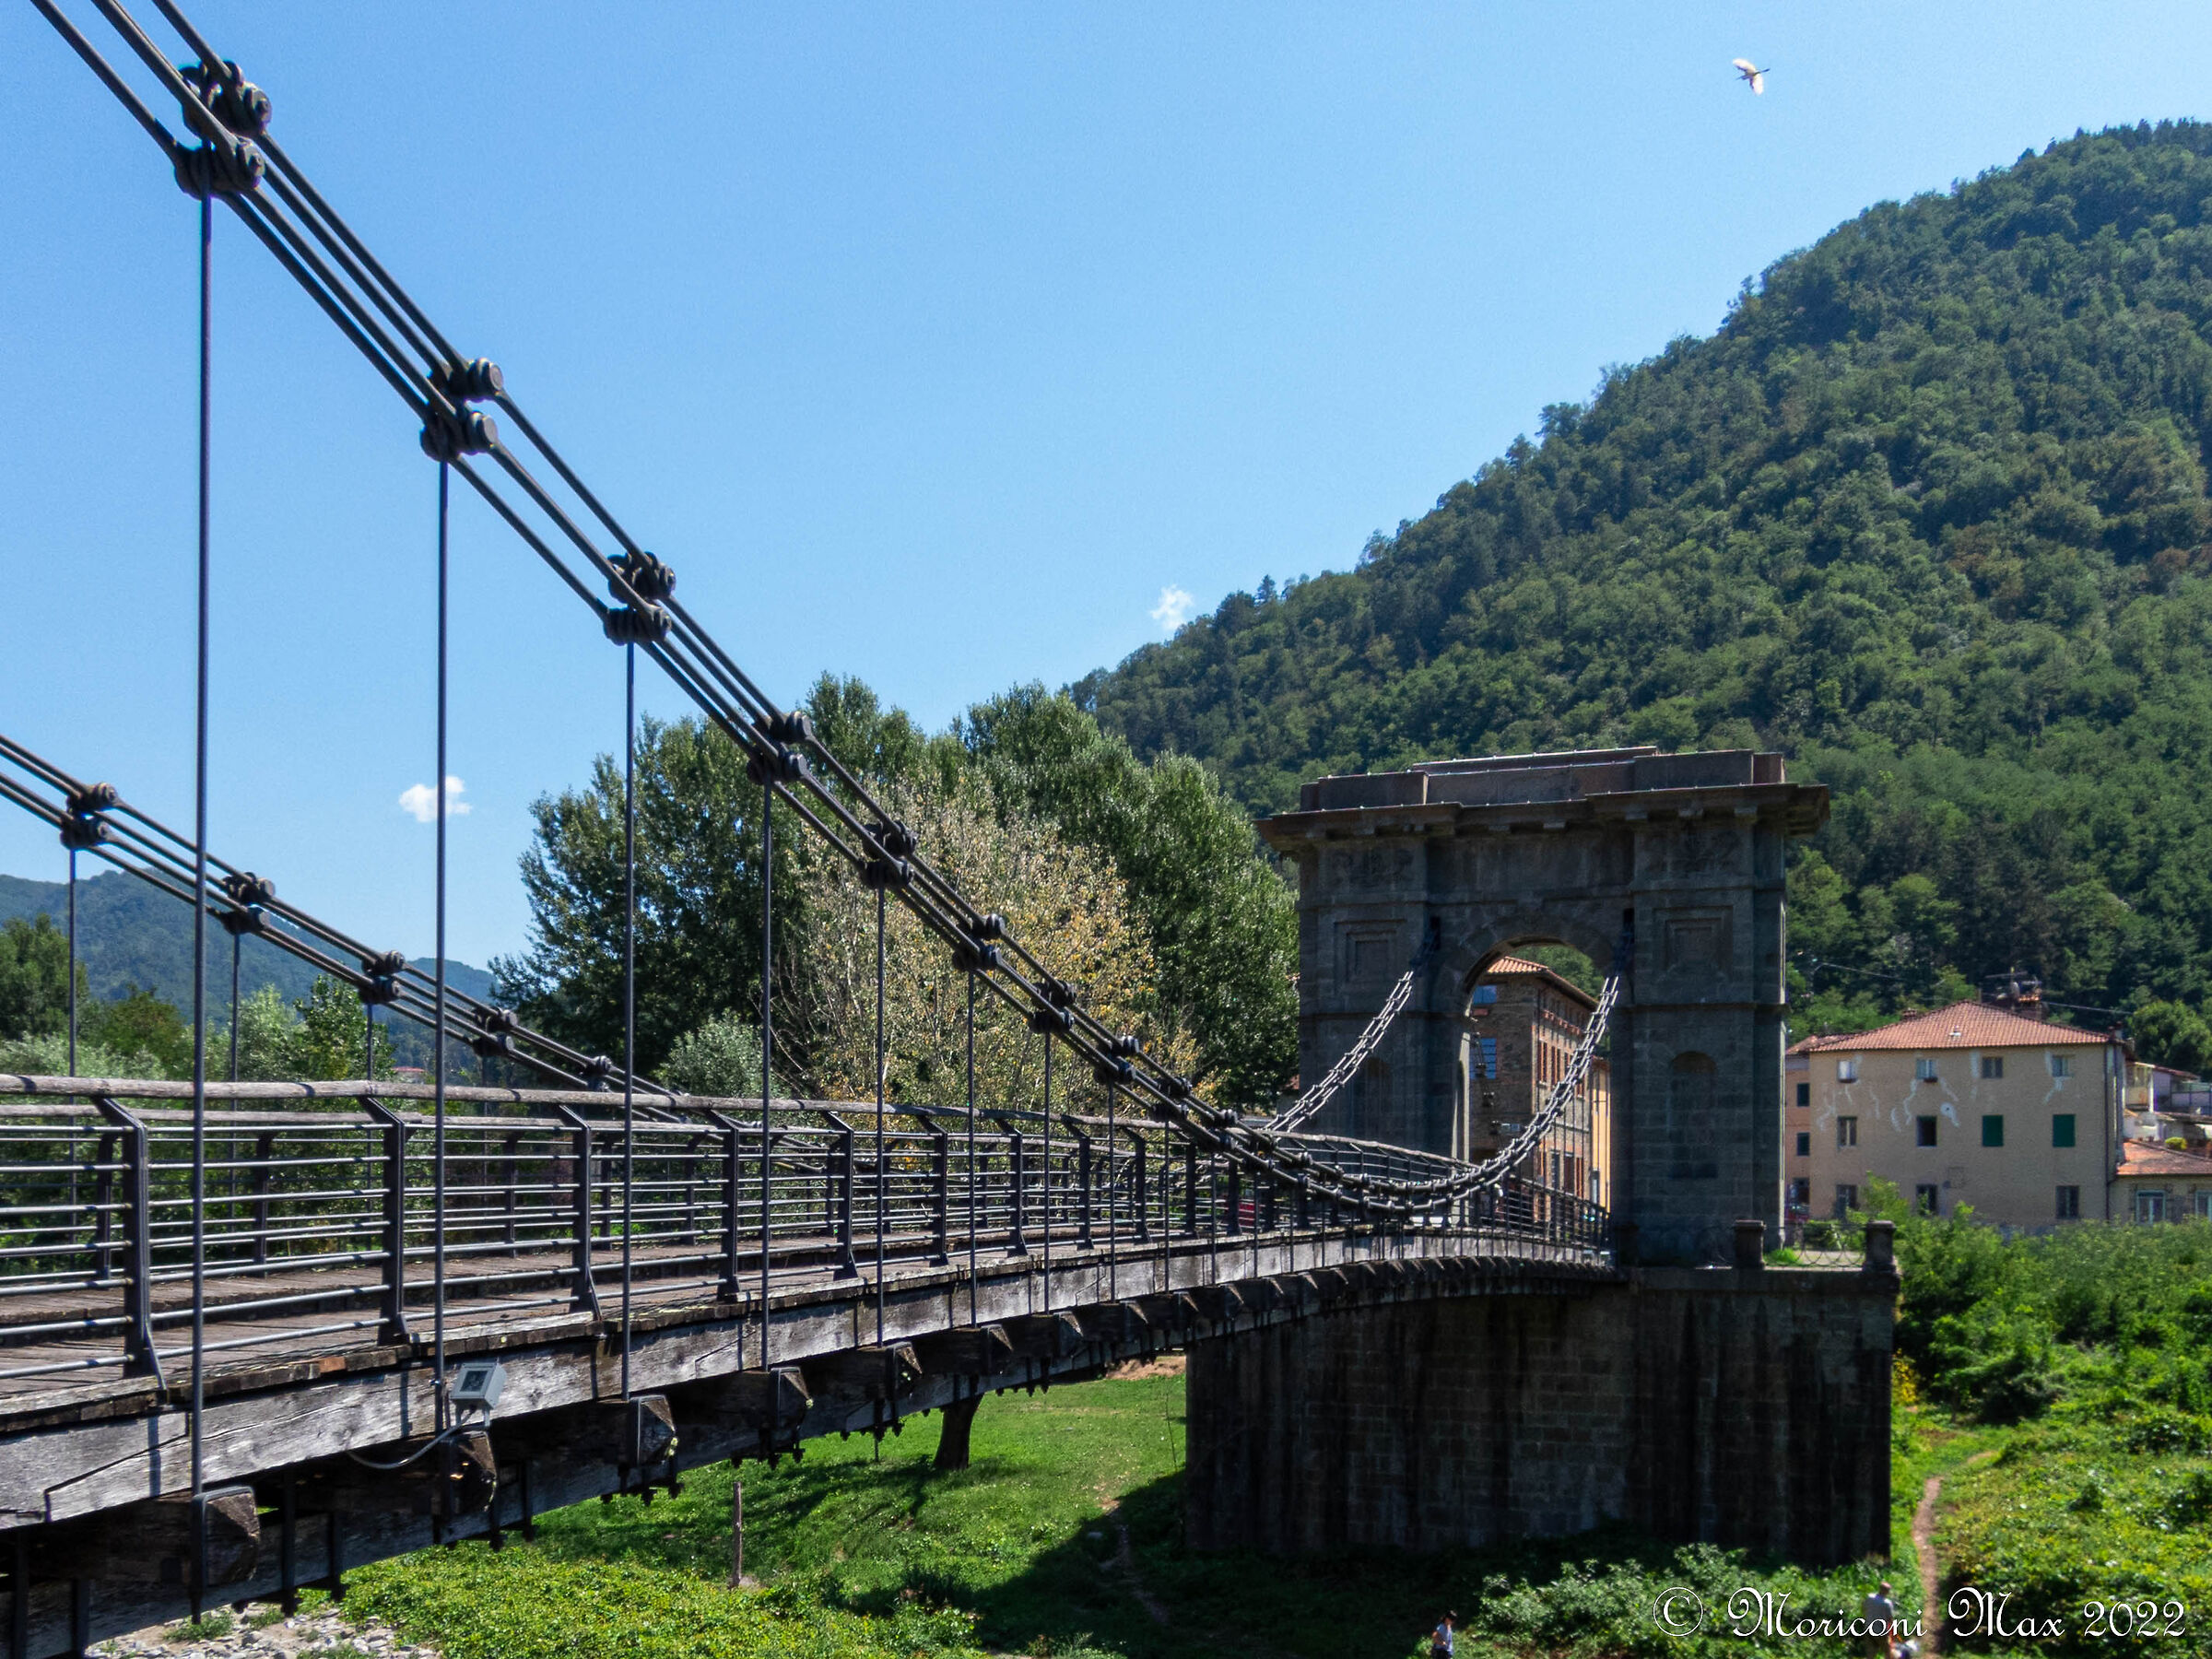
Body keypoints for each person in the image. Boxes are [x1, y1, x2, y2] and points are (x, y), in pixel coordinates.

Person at [1861, 1581, 1896, 1657]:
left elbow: (1863, 1607)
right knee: (1887, 1651)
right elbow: (1890, 1619)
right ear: (1887, 1592)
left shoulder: (1869, 1597)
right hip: (1881, 1632)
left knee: (1870, 1653)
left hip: (1868, 1629)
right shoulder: (1887, 1603)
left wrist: (1866, 1616)